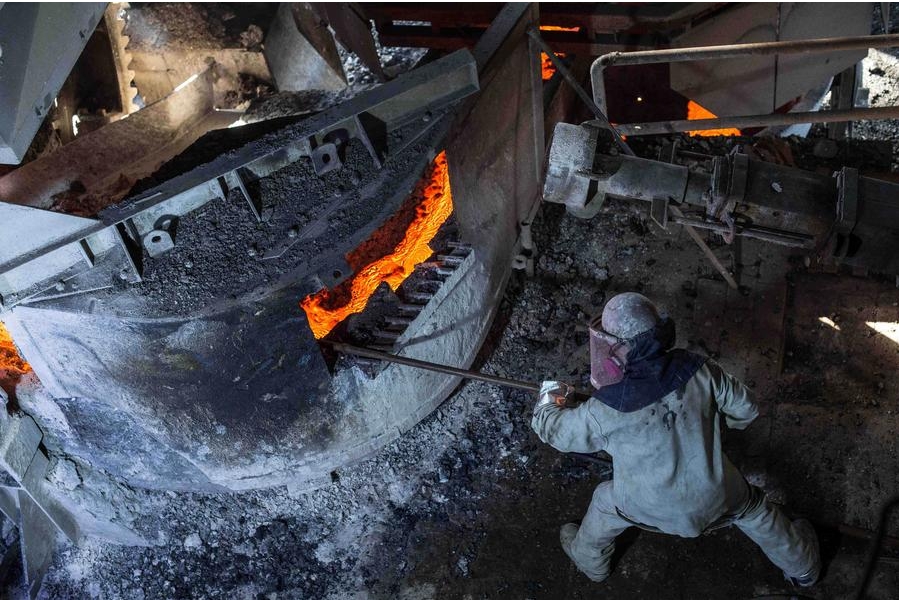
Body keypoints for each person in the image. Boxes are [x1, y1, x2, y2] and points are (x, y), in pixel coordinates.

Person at [531, 292, 821, 586]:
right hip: (718, 495)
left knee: (605, 501)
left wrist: (550, 396)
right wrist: (711, 427)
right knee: (755, 509)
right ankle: (804, 568)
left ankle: (591, 564)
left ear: (617, 347)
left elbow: (555, 432)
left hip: (646, 506)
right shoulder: (698, 368)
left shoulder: (606, 407)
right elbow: (747, 409)